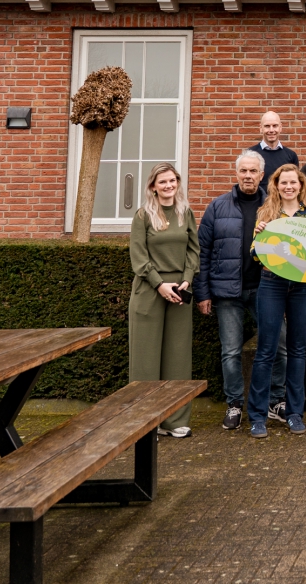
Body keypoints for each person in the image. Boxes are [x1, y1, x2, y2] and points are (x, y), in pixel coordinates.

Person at [195, 151, 288, 432]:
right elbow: (203, 253)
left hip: (266, 290)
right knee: (231, 351)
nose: (248, 176)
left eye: (253, 171)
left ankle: (276, 400)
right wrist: (203, 293)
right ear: (236, 175)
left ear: (262, 175)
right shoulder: (217, 207)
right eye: (243, 171)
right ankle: (235, 403)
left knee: (280, 346)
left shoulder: (275, 207)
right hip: (228, 294)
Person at [247, 164, 306, 438]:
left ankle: (294, 413)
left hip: (302, 288)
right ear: (276, 186)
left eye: (294, 182)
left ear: (301, 186)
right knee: (266, 351)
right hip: (272, 284)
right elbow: (255, 255)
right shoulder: (266, 214)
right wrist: (258, 237)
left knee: (299, 350)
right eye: (284, 183)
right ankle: (257, 416)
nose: (289, 187)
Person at [128, 162, 200, 437]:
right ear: (153, 187)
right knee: (145, 360)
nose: (168, 186)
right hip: (150, 291)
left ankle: (175, 420)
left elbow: (194, 251)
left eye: (172, 181)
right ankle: (146, 420)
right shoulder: (143, 215)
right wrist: (159, 284)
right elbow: (138, 256)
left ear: (177, 183)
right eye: (163, 182)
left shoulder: (185, 213)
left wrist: (187, 279)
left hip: (180, 291)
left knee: (178, 357)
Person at [249, 111, 298, 191]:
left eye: (275, 126)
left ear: (280, 127)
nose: (271, 130)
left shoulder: (291, 156)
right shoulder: (250, 154)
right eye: (267, 126)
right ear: (261, 128)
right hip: (259, 203)